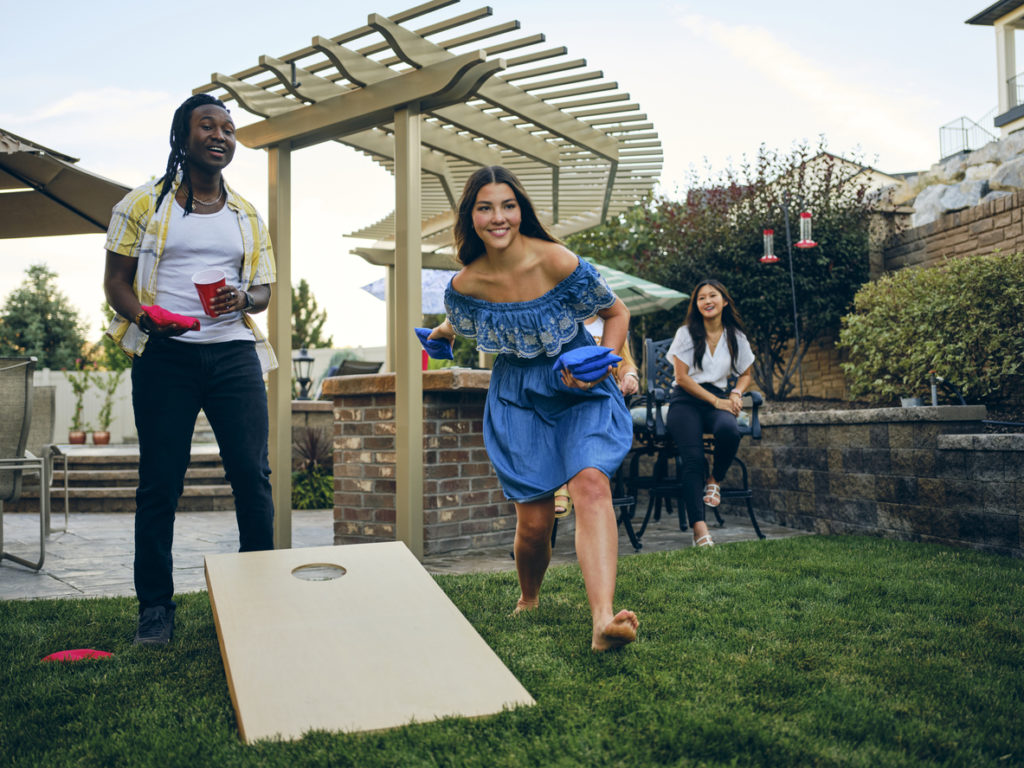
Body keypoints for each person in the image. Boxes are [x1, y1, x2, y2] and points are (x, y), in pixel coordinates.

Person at [429, 165, 639, 651]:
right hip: (517, 395)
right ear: (471, 216)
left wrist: (600, 365)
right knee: (536, 522)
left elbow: (616, 312)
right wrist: (439, 337)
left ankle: (603, 619)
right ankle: (529, 596)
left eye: (508, 205)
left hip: (576, 386)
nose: (498, 217)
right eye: (485, 207)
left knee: (590, 483)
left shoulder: (556, 260)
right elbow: (457, 323)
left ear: (521, 210)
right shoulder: (466, 284)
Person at [103, 94, 277, 646]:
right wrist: (145, 317)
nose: (222, 135)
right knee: (160, 483)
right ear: (183, 136)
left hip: (233, 355)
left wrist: (243, 299)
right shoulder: (141, 206)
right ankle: (155, 609)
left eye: (229, 128)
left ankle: (259, 596)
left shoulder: (246, 214)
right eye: (209, 125)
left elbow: (266, 289)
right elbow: (116, 284)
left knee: (252, 476)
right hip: (166, 357)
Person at [664, 279, 755, 547]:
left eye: (712, 296)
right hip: (685, 400)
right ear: (697, 305)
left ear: (724, 301)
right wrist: (718, 401)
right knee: (692, 459)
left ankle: (715, 479)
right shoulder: (686, 334)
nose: (707, 301)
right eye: (701, 298)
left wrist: (736, 393)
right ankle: (700, 529)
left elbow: (746, 374)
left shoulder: (736, 337)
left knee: (729, 430)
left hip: (718, 399)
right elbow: (681, 378)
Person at [553, 316, 639, 516]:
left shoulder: (610, 320)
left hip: (603, 398)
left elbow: (625, 362)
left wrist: (630, 376)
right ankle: (563, 480)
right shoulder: (563, 320)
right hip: (568, 393)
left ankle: (562, 483)